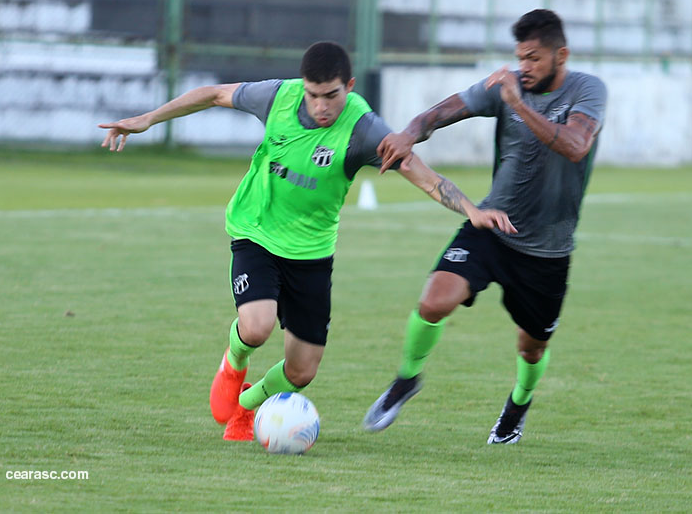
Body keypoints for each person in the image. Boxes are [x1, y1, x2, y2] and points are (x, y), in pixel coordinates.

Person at [99, 41, 515, 442]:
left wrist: (471, 210)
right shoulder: (277, 97)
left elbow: (419, 173)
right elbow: (212, 94)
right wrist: (148, 119)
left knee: (301, 372)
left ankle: (247, 405)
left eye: (331, 95)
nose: (321, 106)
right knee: (257, 328)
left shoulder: (364, 128)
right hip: (256, 230)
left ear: (349, 86)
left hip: (311, 253)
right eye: (313, 95)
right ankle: (233, 363)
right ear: (303, 86)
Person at [363, 9, 607, 444]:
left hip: (547, 250)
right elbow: (445, 110)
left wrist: (518, 104)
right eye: (520, 57)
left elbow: (576, 145)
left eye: (534, 58)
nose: (524, 67)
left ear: (561, 55)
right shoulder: (506, 85)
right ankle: (406, 379)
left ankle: (519, 403)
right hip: (492, 225)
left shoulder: (587, 90)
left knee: (531, 347)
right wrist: (408, 134)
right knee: (434, 301)